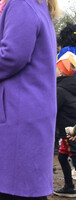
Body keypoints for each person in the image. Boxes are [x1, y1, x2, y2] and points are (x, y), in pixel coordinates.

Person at [0, 0, 60, 199]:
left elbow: (12, 55)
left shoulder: (21, 3)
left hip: (19, 114)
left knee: (17, 191)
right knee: (27, 190)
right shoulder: (36, 5)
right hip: (28, 110)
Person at [53, 48, 76, 197]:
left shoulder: (60, 89)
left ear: (61, 71)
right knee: (62, 156)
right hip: (71, 127)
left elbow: (51, 109)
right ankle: (68, 186)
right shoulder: (71, 84)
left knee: (74, 157)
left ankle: (69, 186)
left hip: (69, 131)